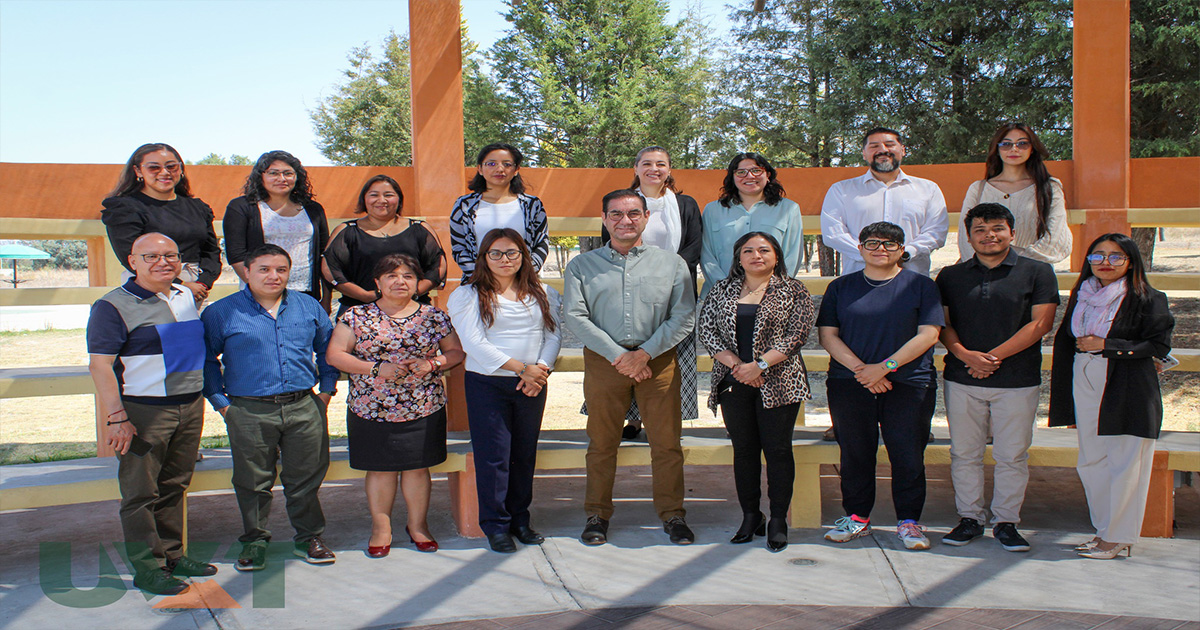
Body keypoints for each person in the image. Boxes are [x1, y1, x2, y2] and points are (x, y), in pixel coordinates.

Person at [564, 189, 696, 546]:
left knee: (667, 443)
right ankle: (597, 514)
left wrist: (645, 353)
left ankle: (673, 515)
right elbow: (575, 316)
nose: (626, 220)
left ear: (646, 218)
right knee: (602, 443)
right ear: (605, 218)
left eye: (634, 214)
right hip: (606, 363)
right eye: (617, 214)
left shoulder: (671, 264)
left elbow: (683, 315)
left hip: (658, 360)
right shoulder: (581, 265)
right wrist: (619, 356)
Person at [86, 233, 215, 595]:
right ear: (132, 261)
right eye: (151, 256)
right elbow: (100, 366)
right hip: (143, 414)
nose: (163, 262)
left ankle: (173, 555)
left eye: (170, 255)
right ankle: (148, 567)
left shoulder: (185, 295)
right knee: (140, 492)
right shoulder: (112, 306)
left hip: (189, 407)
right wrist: (117, 417)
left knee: (174, 484)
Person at [201, 244, 340, 571]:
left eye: (281, 269)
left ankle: (309, 537)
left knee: (306, 477)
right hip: (248, 410)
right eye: (264, 269)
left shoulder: (307, 306)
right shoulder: (222, 312)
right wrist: (222, 404)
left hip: (304, 406)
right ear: (246, 272)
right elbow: (207, 360)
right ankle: (254, 540)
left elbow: (328, 349)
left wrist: (326, 392)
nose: (273, 276)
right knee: (252, 480)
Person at [936, 203, 1059, 552]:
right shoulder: (951, 276)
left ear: (1011, 232)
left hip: (1017, 380)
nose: (989, 235)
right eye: (980, 230)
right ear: (969, 235)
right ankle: (969, 518)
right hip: (962, 378)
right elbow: (943, 324)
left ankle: (1007, 522)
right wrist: (964, 355)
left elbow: (1041, 324)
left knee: (1012, 455)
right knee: (964, 453)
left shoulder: (1037, 272)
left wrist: (992, 358)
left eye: (997, 228)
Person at [325, 254, 465, 558]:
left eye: (407, 276)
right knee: (380, 471)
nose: (400, 281)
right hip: (371, 408)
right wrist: (376, 368)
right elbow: (335, 355)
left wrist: (432, 363)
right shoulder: (356, 316)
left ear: (417, 284)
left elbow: (455, 353)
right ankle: (381, 528)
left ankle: (418, 526)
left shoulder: (434, 316)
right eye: (391, 275)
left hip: (423, 407)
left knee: (418, 469)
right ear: (377, 282)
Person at [817, 222, 943, 551]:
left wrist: (884, 368)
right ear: (859, 249)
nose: (880, 249)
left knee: (908, 454)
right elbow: (828, 335)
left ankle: (909, 522)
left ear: (902, 250)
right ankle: (857, 517)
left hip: (909, 382)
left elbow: (928, 334)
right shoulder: (840, 288)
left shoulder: (920, 286)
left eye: (890, 244)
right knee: (856, 454)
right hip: (850, 382)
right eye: (872, 243)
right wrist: (863, 371)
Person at [1049, 234, 1174, 559]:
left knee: (1125, 462)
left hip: (1126, 383)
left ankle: (1118, 537)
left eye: (1116, 256)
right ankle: (1104, 530)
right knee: (1091, 461)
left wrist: (1109, 345)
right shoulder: (1083, 295)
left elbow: (1158, 346)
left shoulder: (1147, 297)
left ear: (1131, 261)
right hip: (1085, 377)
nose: (1106, 262)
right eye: (1098, 256)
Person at [819, 127, 948, 443]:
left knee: (911, 348)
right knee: (856, 344)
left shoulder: (927, 189)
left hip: (910, 285)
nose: (882, 150)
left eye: (890, 144)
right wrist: (872, 257)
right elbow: (833, 232)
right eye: (874, 145)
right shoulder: (843, 190)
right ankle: (848, 423)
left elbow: (936, 231)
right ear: (864, 153)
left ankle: (914, 421)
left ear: (902, 150)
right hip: (857, 288)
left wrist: (902, 255)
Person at [697, 232, 815, 552]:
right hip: (734, 382)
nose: (756, 255)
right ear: (738, 257)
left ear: (776, 255)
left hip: (779, 381)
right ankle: (751, 516)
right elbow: (707, 331)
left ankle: (778, 518)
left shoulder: (793, 289)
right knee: (744, 451)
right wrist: (740, 367)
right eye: (748, 250)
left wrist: (759, 366)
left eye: (764, 250)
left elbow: (796, 335)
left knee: (777, 450)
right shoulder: (722, 289)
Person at [447, 228, 562, 553]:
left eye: (512, 252)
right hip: (489, 384)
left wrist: (539, 370)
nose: (504, 259)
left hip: (532, 383)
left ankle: (520, 521)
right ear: (484, 258)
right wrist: (521, 368)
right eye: (495, 253)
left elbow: (552, 336)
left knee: (524, 455)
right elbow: (474, 344)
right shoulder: (468, 295)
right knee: (494, 458)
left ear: (524, 256)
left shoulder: (543, 292)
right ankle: (496, 526)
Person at [601, 146, 703, 439]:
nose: (654, 169)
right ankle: (632, 419)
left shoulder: (685, 204)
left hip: (674, 289)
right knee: (632, 352)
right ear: (636, 168)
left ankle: (672, 418)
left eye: (661, 164)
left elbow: (693, 247)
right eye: (647, 163)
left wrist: (666, 278)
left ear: (670, 170)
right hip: (628, 290)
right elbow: (609, 243)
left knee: (673, 354)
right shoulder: (620, 203)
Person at [101, 143, 221, 302]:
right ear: (138, 171)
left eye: (172, 167)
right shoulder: (124, 208)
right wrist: (180, 285)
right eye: (154, 168)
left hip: (196, 289)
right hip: (148, 288)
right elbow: (129, 256)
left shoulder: (198, 208)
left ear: (181, 169)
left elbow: (211, 251)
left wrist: (203, 283)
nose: (165, 173)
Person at [323, 174, 447, 317]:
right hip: (359, 310)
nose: (382, 200)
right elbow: (331, 268)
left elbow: (437, 265)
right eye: (374, 195)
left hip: (413, 311)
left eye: (388, 195)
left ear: (399, 199)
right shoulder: (347, 231)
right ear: (364, 199)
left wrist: (413, 292)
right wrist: (365, 295)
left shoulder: (420, 229)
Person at [223, 150, 331, 306]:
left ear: (297, 176)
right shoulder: (242, 207)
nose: (282, 179)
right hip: (260, 294)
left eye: (288, 173)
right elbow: (236, 254)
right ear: (261, 176)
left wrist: (326, 298)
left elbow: (324, 254)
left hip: (305, 293)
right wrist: (261, 288)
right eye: (273, 173)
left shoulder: (313, 209)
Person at [957, 123, 1071, 264]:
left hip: (1033, 271)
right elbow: (965, 236)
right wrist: (986, 264)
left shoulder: (1049, 187)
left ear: (1032, 149)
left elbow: (1056, 237)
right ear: (997, 149)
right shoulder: (978, 189)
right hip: (984, 274)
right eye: (1006, 144)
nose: (1014, 149)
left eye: (1022, 144)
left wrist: (1017, 264)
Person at [700, 152, 804, 299]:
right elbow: (706, 254)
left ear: (767, 175)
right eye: (741, 172)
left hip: (771, 298)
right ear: (732, 177)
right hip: (718, 298)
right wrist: (726, 288)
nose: (749, 176)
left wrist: (773, 290)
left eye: (756, 171)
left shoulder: (788, 209)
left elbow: (792, 255)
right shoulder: (713, 210)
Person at [449, 143, 549, 280]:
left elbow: (541, 244)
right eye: (491, 164)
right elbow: (459, 247)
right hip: (477, 283)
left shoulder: (532, 205)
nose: (500, 169)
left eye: (507, 164)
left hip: (522, 284)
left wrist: (523, 276)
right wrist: (481, 278)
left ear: (516, 170)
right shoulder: (464, 205)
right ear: (480, 169)